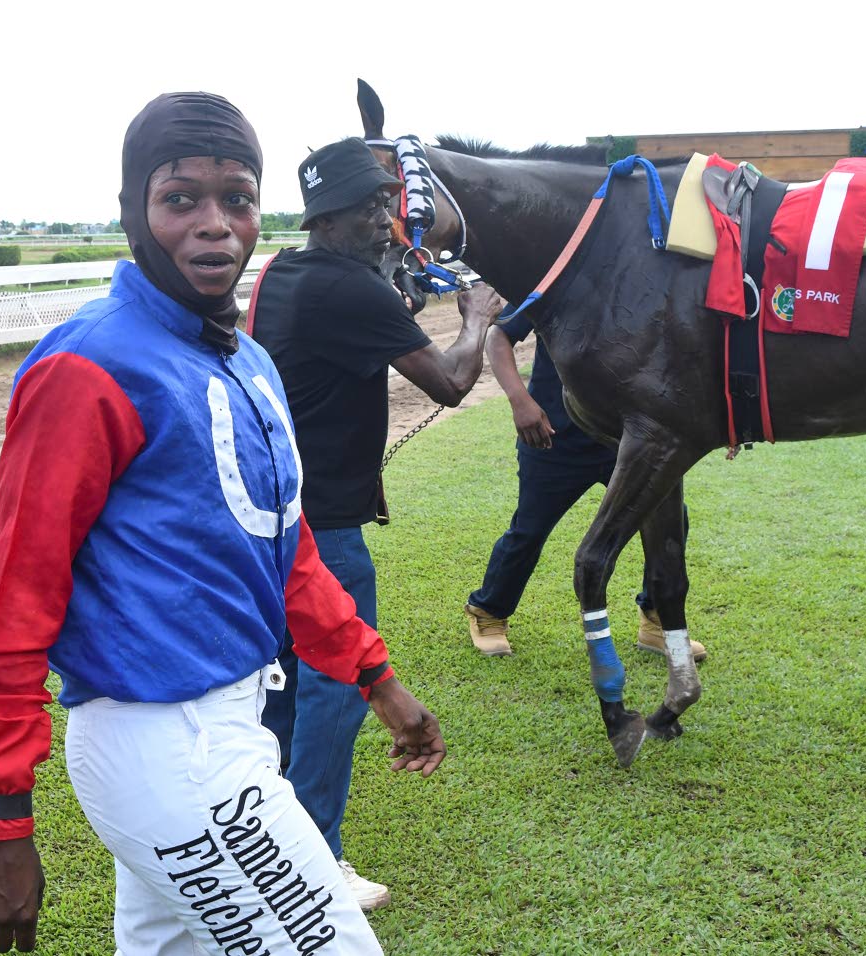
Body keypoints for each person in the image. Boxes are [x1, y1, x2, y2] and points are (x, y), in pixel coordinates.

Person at [0, 93, 446, 955]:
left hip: (229, 726)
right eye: (180, 198)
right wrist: (4, 820)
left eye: (238, 198)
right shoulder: (88, 367)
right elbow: (17, 589)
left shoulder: (244, 358)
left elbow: (283, 545)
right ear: (133, 211)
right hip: (167, 748)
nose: (215, 224)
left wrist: (373, 677)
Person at [250, 137, 505, 911]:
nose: (388, 224)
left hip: (277, 522)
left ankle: (267, 846)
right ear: (341, 217)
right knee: (336, 690)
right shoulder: (350, 289)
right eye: (375, 210)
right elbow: (451, 382)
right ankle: (314, 862)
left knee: (281, 693)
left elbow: (346, 339)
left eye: (390, 208)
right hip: (327, 535)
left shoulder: (283, 272)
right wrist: (477, 318)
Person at [463, 311, 707, 662]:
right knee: (529, 531)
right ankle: (488, 612)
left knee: (669, 522)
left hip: (629, 439)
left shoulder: (648, 286)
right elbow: (498, 336)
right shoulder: (555, 281)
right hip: (553, 438)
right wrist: (520, 401)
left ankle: (656, 620)